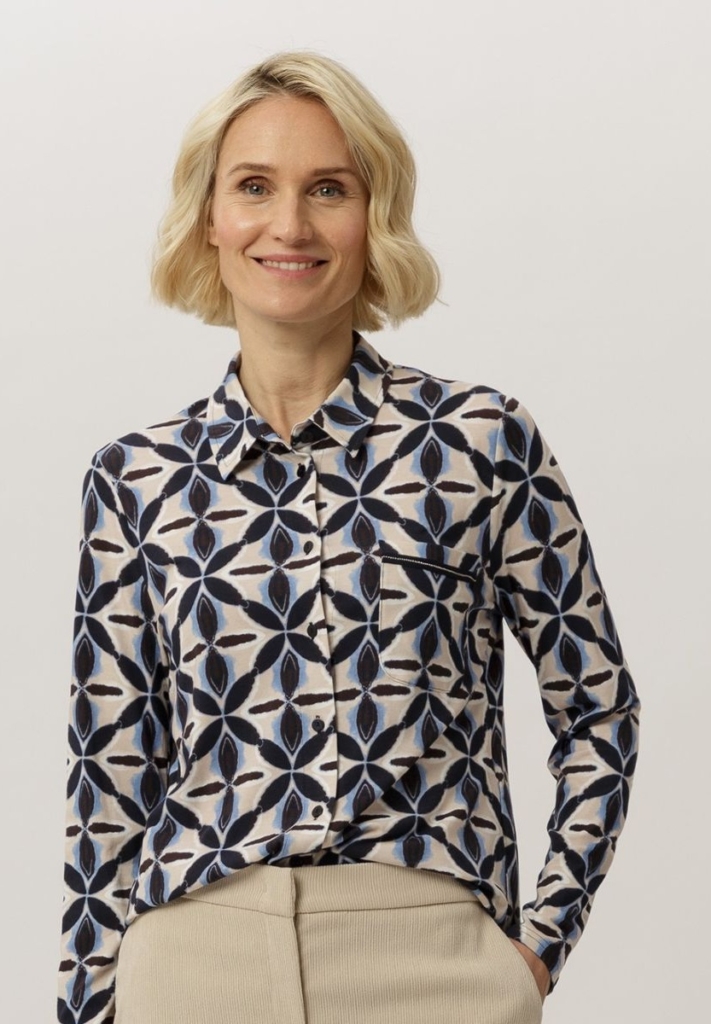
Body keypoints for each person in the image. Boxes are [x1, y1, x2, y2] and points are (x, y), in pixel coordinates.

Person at [56, 50, 641, 1024]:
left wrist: (538, 947)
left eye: (327, 188)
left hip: (431, 960)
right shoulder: (136, 479)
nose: (289, 224)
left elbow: (599, 709)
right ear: (209, 218)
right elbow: (109, 776)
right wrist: (88, 1003)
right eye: (253, 187)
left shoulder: (480, 442)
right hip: (194, 963)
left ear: (376, 217)